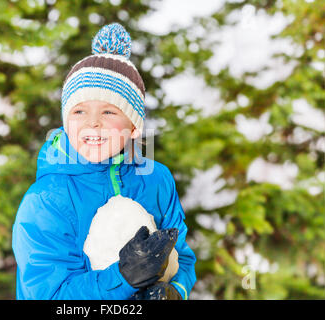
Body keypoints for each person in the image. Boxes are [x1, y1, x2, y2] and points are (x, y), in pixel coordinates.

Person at [12, 23, 196, 300]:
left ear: (134, 126)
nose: (93, 123)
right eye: (79, 111)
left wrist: (173, 292)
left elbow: (182, 256)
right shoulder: (46, 200)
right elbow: (47, 294)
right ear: (65, 122)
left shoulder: (156, 179)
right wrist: (122, 279)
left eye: (109, 111)